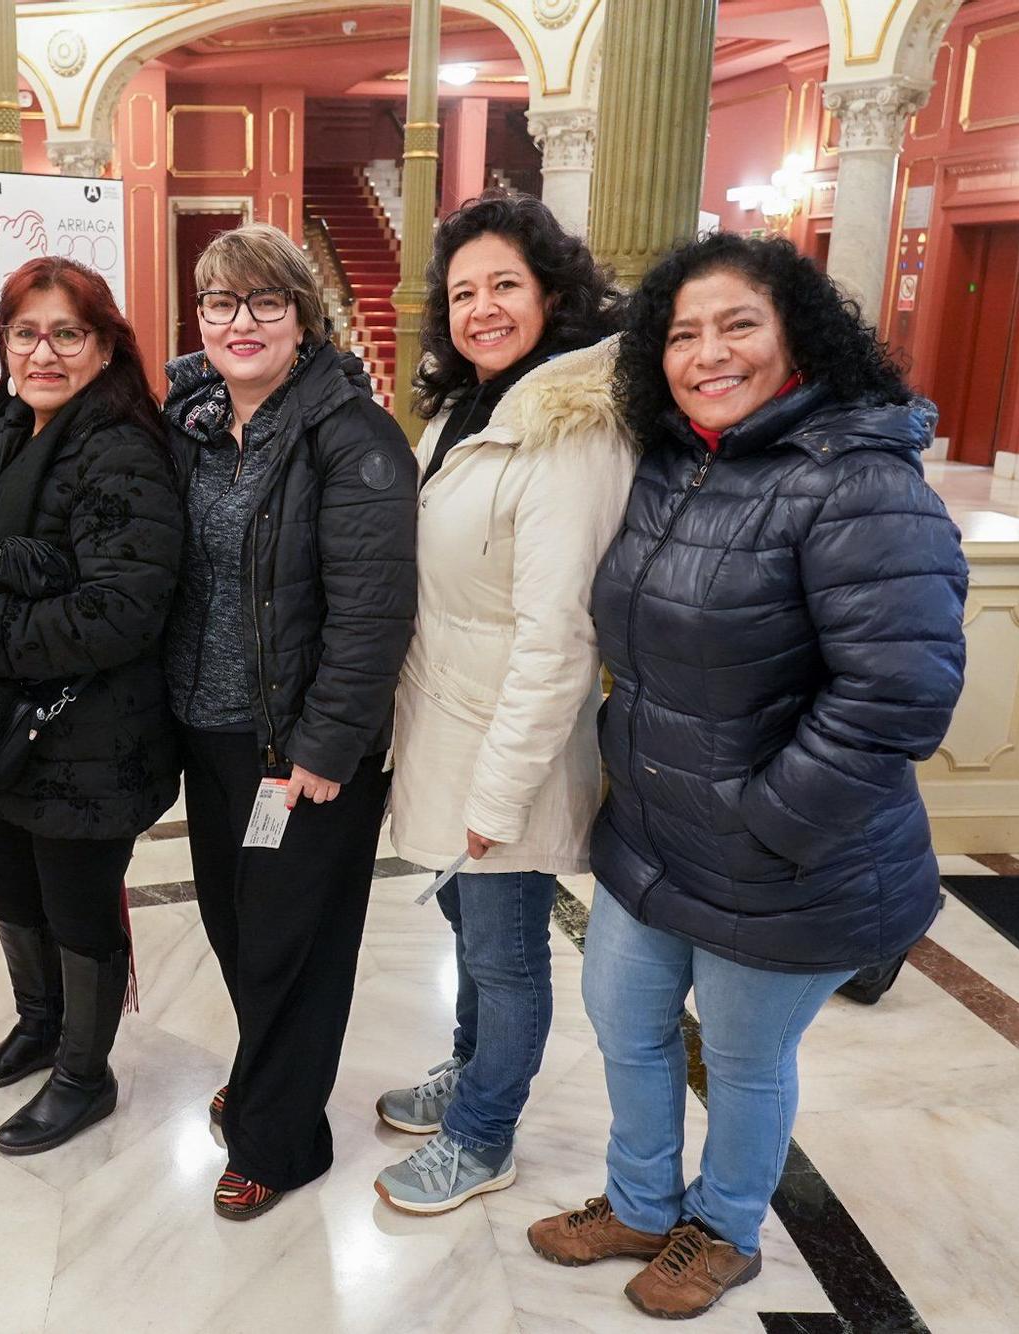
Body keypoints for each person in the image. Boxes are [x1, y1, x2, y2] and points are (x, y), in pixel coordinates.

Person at [530, 232, 967, 1320]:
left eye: (737, 325)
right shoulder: (678, 459)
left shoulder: (856, 479)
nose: (706, 353)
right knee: (621, 1014)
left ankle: (720, 1229)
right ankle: (638, 1201)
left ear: (796, 337)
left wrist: (767, 820)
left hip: (785, 855)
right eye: (681, 334)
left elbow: (896, 695)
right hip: (655, 832)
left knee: (737, 1055)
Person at [375, 191, 633, 1215]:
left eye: (504, 287)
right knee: (467, 920)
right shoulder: (469, 410)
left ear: (553, 294)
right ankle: (468, 1064)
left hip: (507, 739)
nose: (480, 308)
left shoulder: (570, 431)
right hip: (448, 718)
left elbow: (557, 635)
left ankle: (483, 1133)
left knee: (504, 946)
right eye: (463, 291)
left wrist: (499, 785)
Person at [0, 256, 182, 1156]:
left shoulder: (122, 447)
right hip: (13, 728)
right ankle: (39, 1025)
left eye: (68, 333)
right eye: (26, 333)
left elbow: (118, 613)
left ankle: (83, 1074)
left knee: (77, 900)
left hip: (89, 729)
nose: (44, 352)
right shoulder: (4, 427)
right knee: (8, 878)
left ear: (104, 346)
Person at [161, 223, 418, 1220]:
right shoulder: (189, 424)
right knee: (235, 927)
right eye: (220, 302)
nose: (240, 321)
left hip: (296, 748)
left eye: (266, 301)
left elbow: (373, 605)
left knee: (291, 942)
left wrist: (325, 742)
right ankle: (265, 1072)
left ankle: (280, 1138)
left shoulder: (351, 434)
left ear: (304, 318)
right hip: (209, 732)